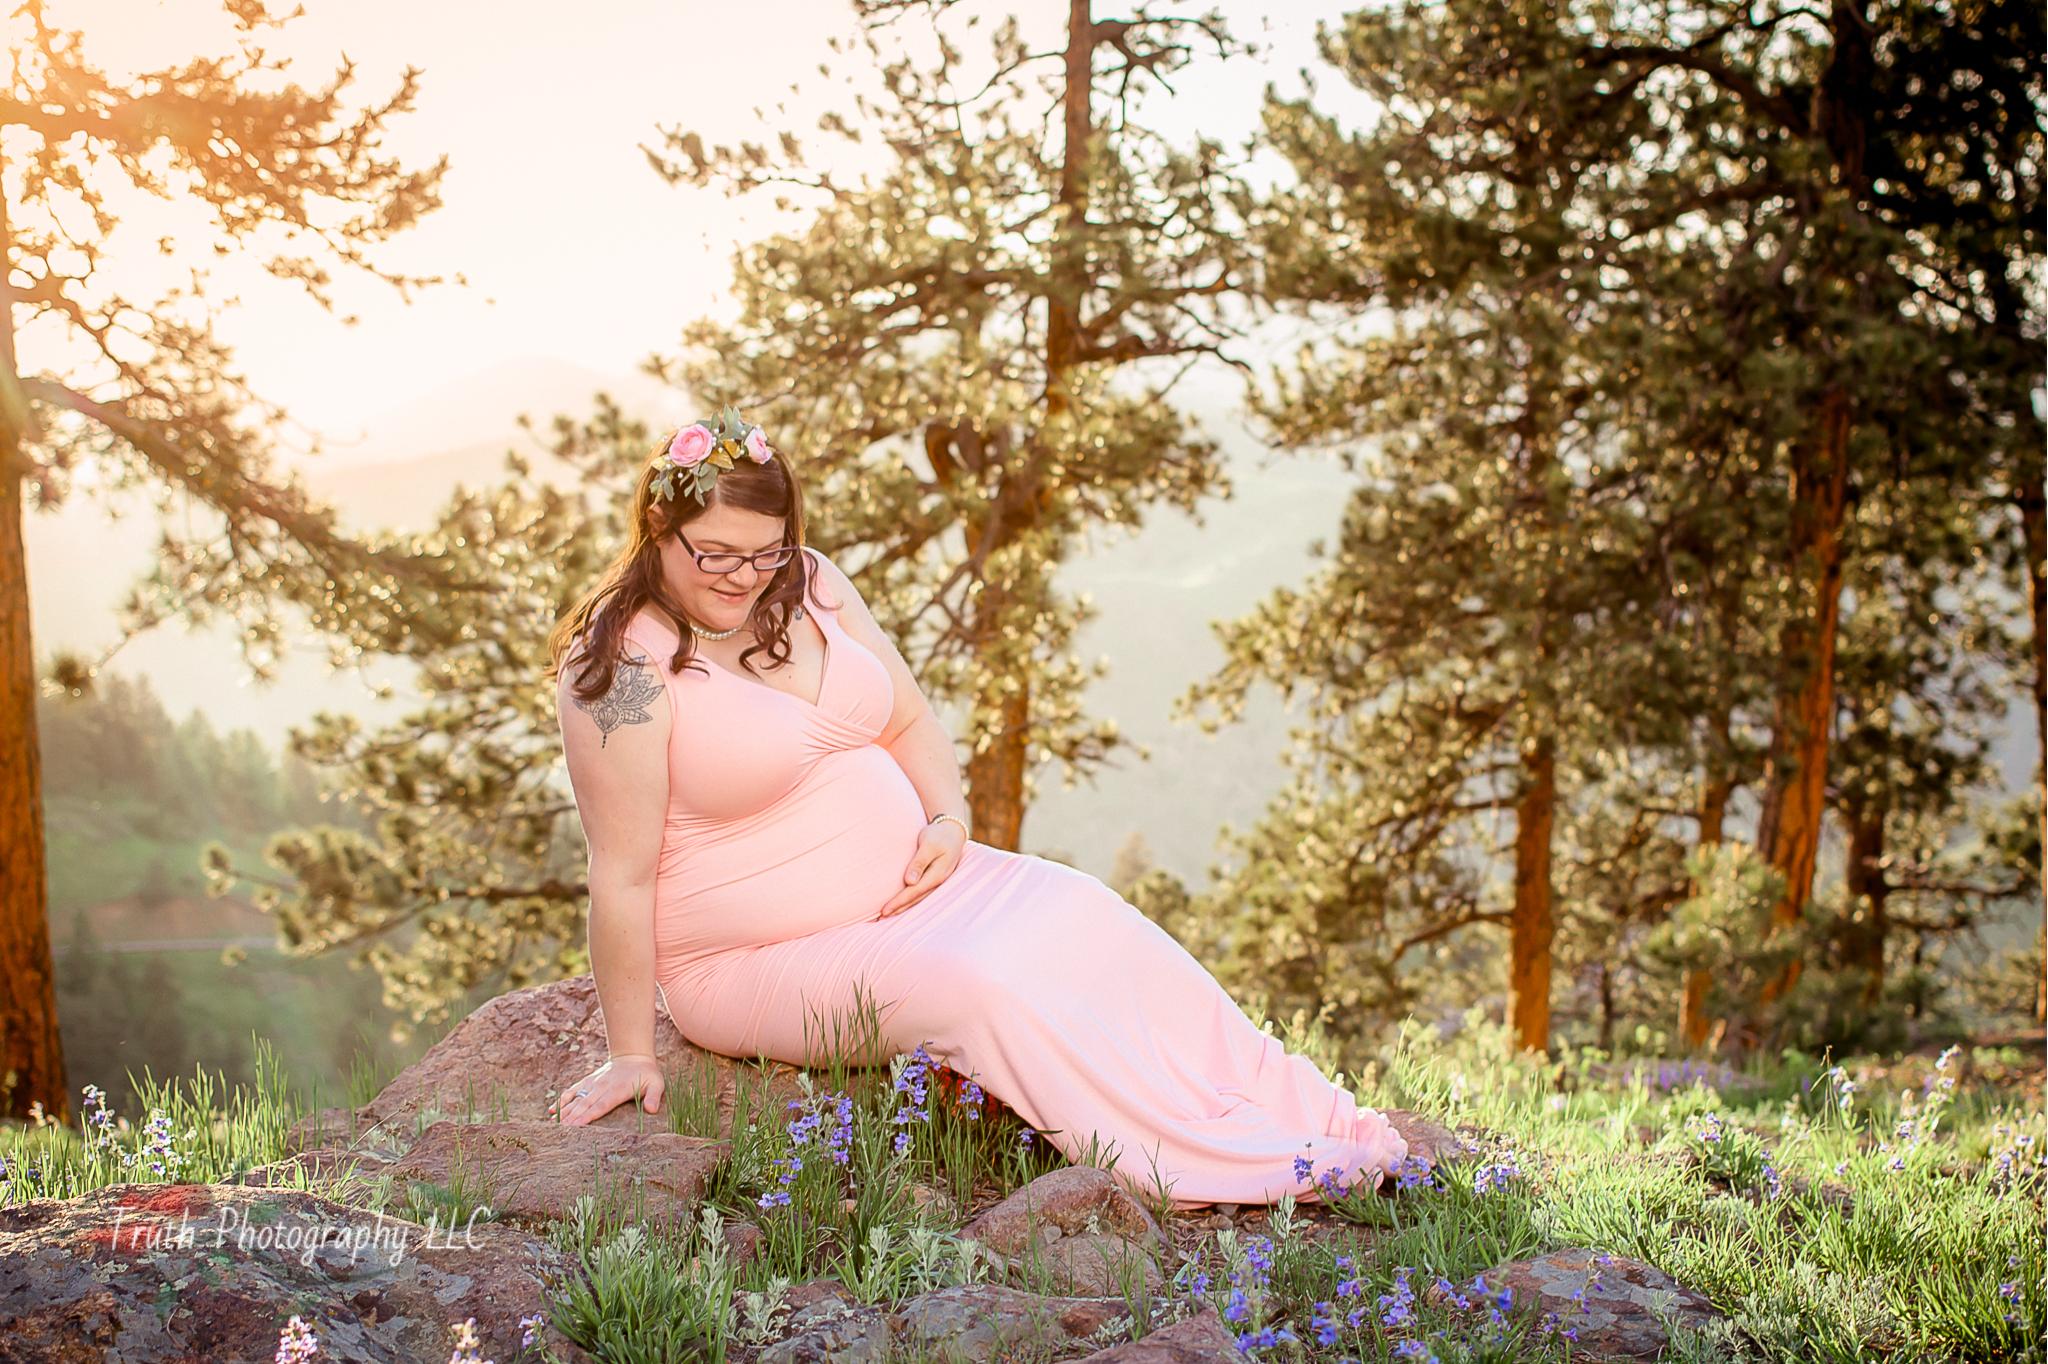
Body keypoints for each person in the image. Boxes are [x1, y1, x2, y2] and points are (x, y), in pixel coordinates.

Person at [544, 412, 1408, 1204]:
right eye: (717, 554)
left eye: (764, 551)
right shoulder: (618, 670)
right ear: (659, 528)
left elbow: (911, 718)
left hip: (923, 893)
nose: (745, 577)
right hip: (749, 959)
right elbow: (620, 873)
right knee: (982, 986)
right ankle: (1198, 1162)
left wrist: (949, 822)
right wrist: (631, 1052)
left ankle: (1320, 1122)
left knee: (1090, 913)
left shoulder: (807, 583)